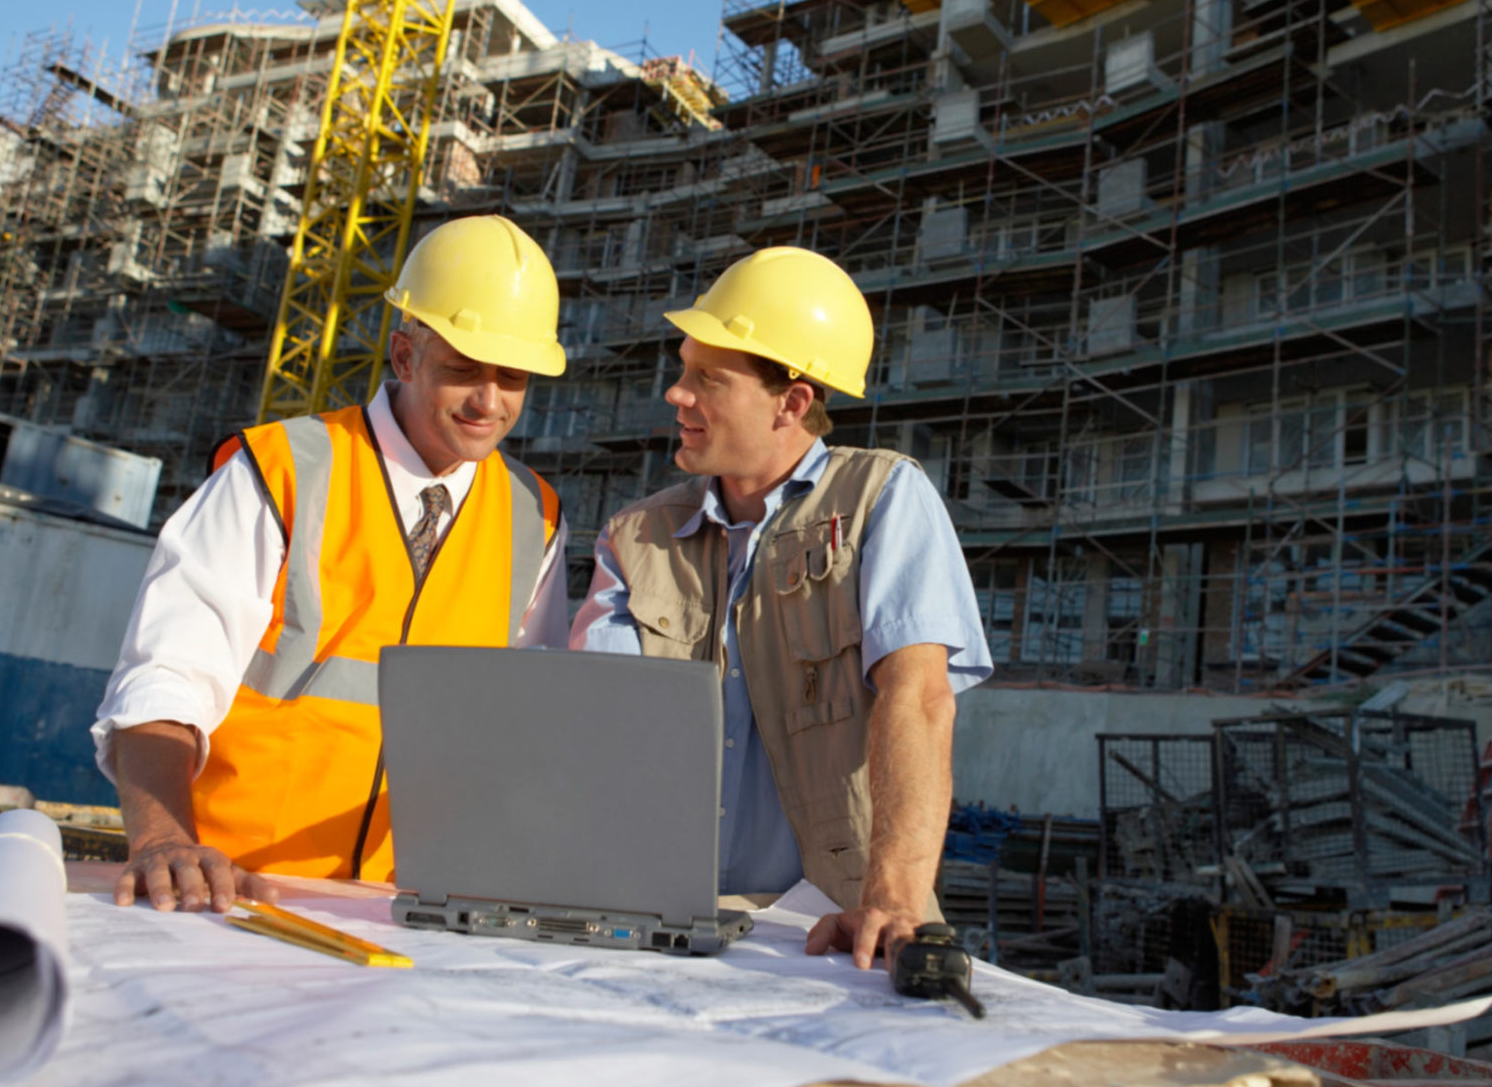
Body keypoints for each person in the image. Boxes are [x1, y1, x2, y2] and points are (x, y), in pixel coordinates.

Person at [93, 215, 570, 912]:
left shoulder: (535, 514)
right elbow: (165, 680)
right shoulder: (283, 471)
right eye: (464, 369)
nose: (489, 401)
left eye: (513, 376)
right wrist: (161, 839)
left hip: (414, 913)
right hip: (228, 898)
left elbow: (520, 729)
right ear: (405, 357)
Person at [571, 246, 993, 971]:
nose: (677, 394)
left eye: (708, 378)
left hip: (833, 932)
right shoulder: (635, 536)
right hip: (661, 927)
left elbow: (919, 697)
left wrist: (895, 898)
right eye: (682, 370)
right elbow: (595, 723)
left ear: (792, 403)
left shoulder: (881, 501)